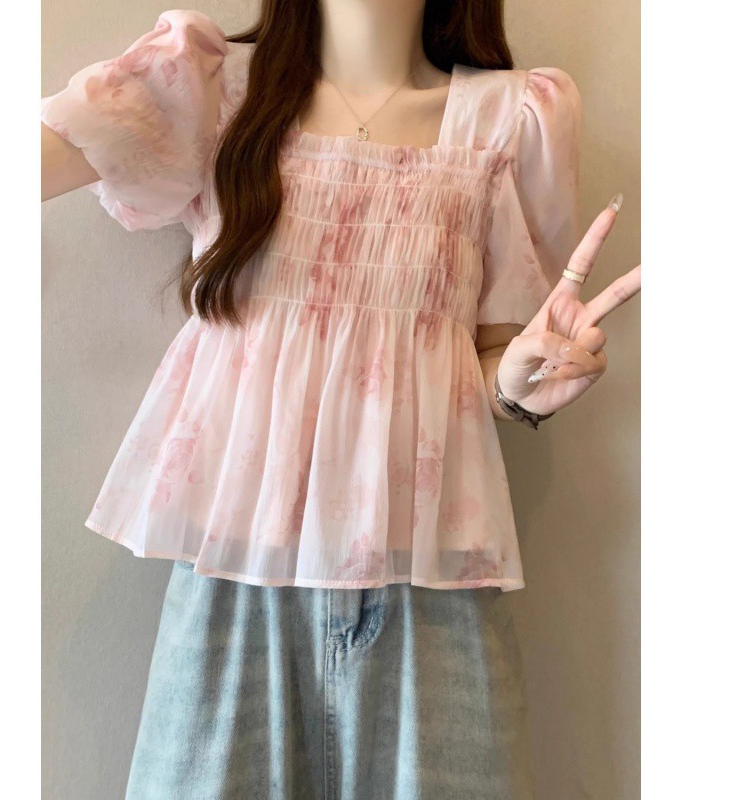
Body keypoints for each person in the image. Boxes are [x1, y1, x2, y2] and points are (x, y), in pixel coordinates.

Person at [40, 1, 640, 797]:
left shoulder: (509, 119)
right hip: (236, 574)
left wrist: (519, 382)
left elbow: (492, 354)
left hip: (429, 581)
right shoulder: (215, 92)